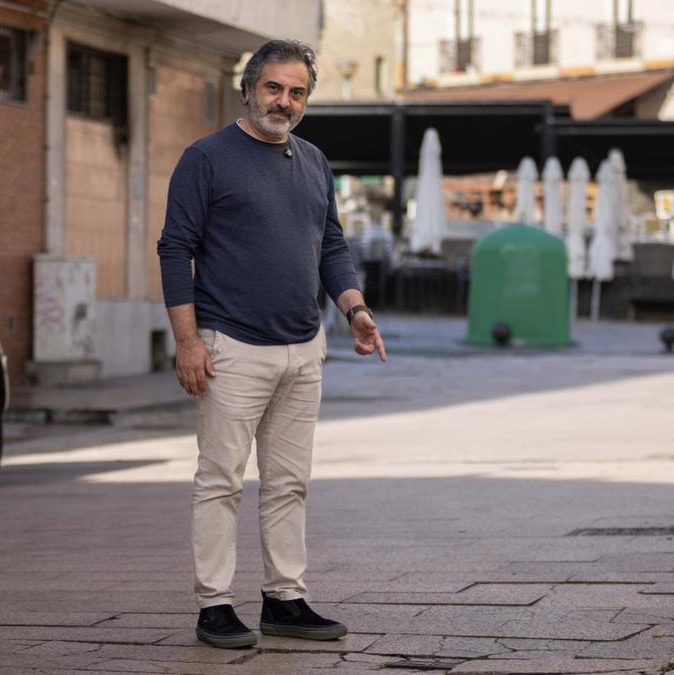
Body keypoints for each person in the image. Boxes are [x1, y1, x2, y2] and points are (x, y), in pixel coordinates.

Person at [156, 39, 387, 650]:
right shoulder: (206, 159)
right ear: (250, 88)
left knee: (289, 482)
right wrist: (187, 342)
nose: (284, 102)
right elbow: (174, 250)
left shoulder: (313, 161)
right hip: (230, 344)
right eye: (274, 88)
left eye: (297, 92)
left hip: (303, 346)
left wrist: (354, 308)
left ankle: (285, 599)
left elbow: (330, 245)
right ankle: (215, 607)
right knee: (221, 480)